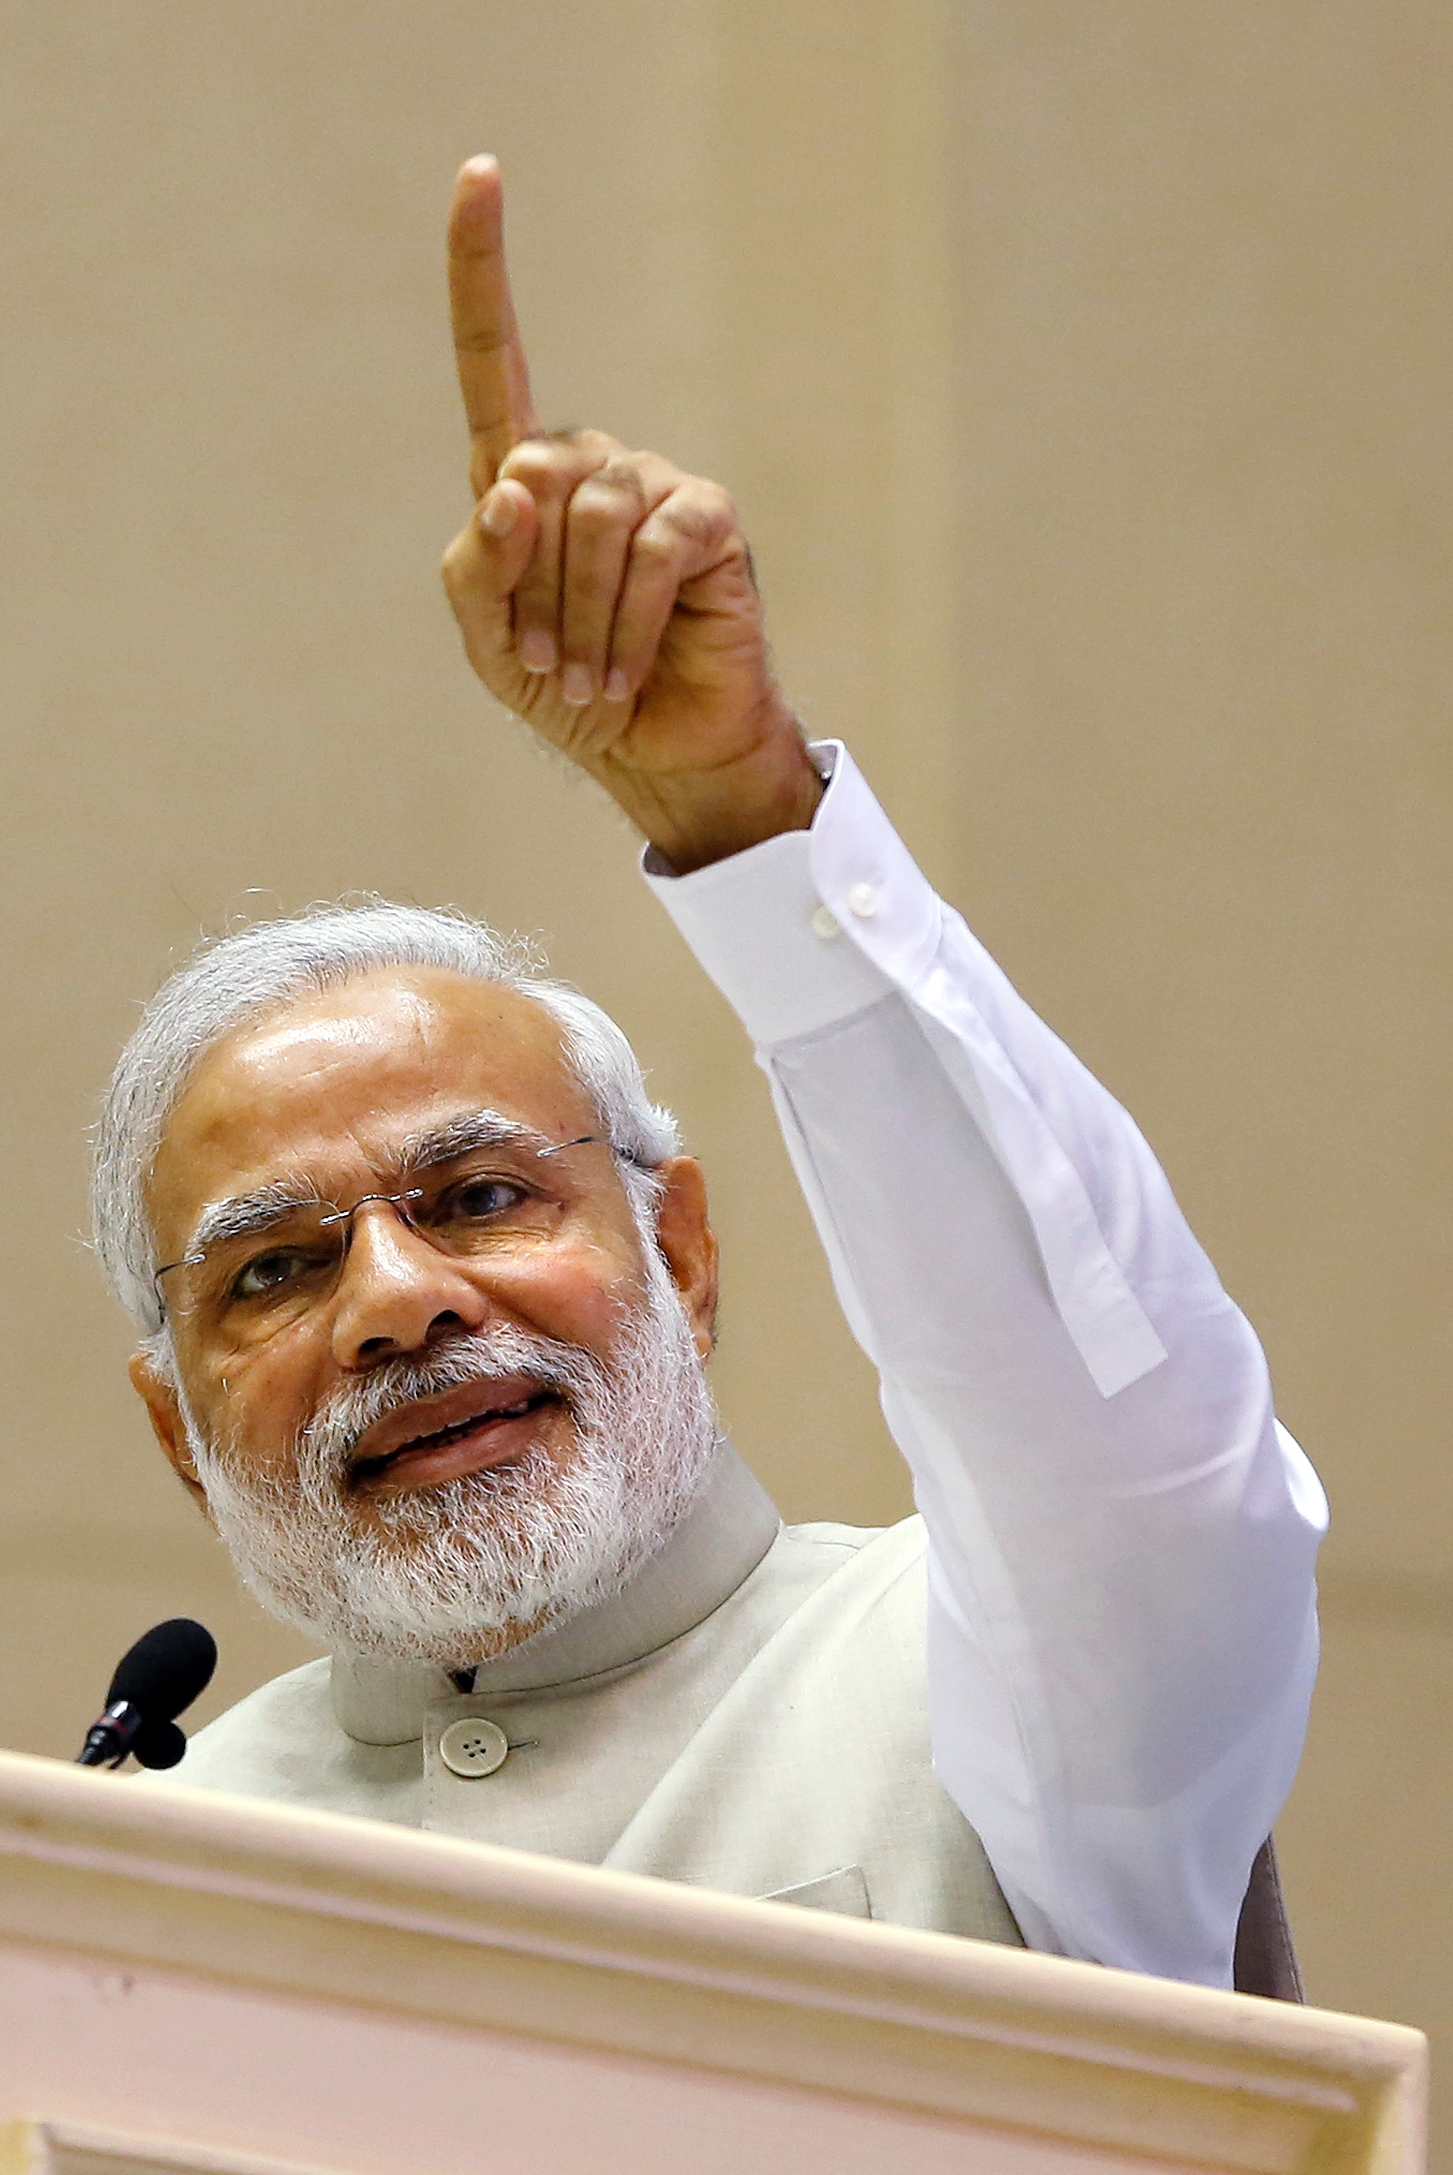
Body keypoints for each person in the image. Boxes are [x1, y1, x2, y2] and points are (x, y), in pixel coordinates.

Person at [93, 157, 1325, 1995]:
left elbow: (1109, 1419)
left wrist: (742, 825)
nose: (396, 1304)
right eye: (274, 1267)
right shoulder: (102, 1875)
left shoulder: (988, 1679)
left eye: (479, 1195)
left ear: (678, 1247)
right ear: (181, 1435)